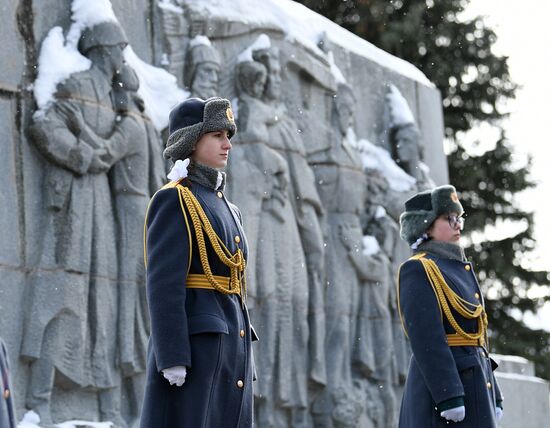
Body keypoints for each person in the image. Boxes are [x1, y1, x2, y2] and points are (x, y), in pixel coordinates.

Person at [140, 97, 256, 427]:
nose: (227, 144)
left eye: (227, 135)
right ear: (191, 141)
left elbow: (235, 287)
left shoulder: (230, 209)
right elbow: (164, 286)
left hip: (231, 347)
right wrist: (172, 355)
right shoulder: (175, 198)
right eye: (216, 135)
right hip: (196, 349)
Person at [397, 185, 503, 427]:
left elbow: (478, 339)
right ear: (425, 226)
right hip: (442, 394)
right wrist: (448, 395)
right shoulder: (419, 268)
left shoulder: (460, 268)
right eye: (449, 218)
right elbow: (426, 338)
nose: (458, 225)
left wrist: (493, 392)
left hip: (474, 385)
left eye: (459, 218)